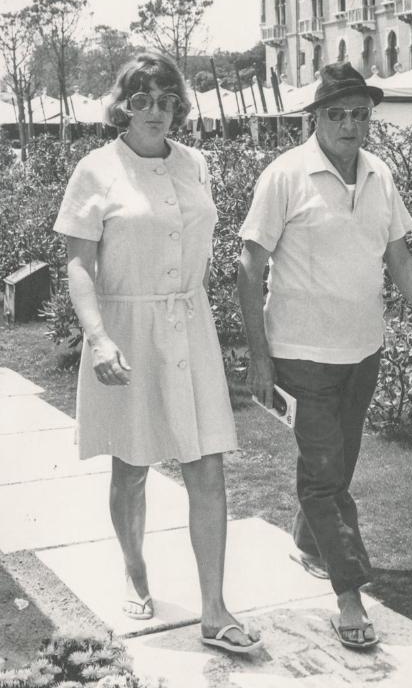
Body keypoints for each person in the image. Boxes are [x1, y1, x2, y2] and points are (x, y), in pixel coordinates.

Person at [54, 51, 261, 654]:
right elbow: (78, 262)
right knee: (132, 466)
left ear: (179, 106)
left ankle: (215, 610)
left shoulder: (195, 163)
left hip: (188, 324)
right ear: (122, 105)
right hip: (126, 328)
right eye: (141, 99)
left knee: (208, 463)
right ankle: (135, 568)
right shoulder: (96, 169)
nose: (155, 111)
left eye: (167, 99)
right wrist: (98, 337)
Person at [237, 62, 412, 650]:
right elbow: (248, 268)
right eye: (338, 114)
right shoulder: (284, 176)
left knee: (335, 469)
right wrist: (259, 357)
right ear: (315, 118)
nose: (351, 125)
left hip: (363, 351)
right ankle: (349, 595)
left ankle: (309, 544)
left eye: (361, 114)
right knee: (325, 478)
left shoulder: (379, 174)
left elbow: (399, 254)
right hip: (302, 355)